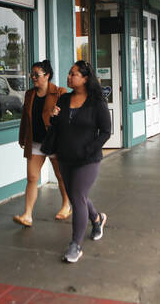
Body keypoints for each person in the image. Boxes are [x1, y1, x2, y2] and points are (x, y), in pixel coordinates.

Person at [50, 61, 111, 263]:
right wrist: (53, 117)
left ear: (85, 78)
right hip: (65, 157)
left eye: (73, 74)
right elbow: (59, 126)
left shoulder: (97, 102)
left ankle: (75, 245)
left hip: (88, 159)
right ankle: (97, 219)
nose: (69, 77)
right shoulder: (64, 99)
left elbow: (105, 132)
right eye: (69, 73)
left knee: (77, 197)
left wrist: (89, 150)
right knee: (77, 196)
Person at [13, 60, 72, 227]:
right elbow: (25, 118)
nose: (33, 77)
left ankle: (66, 205)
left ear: (47, 76)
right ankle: (27, 215)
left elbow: (68, 118)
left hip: (54, 141)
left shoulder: (60, 93)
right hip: (36, 142)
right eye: (31, 74)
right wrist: (22, 138)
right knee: (32, 178)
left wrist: (57, 114)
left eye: (36, 75)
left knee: (60, 176)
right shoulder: (29, 94)